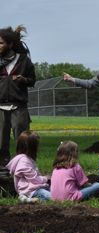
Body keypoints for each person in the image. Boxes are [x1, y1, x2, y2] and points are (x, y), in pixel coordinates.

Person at [0, 25, 35, 166]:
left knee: (22, 140)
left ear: (10, 44)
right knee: (1, 141)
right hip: (0, 107)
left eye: (1, 43)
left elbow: (33, 80)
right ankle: (3, 169)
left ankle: (22, 167)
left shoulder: (24, 60)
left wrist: (23, 80)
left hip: (19, 107)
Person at [6, 130, 50, 202]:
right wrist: (46, 178)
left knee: (50, 196)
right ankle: (26, 199)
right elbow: (34, 179)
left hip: (34, 189)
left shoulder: (26, 159)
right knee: (55, 197)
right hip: (31, 190)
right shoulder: (24, 161)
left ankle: (30, 200)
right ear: (32, 147)